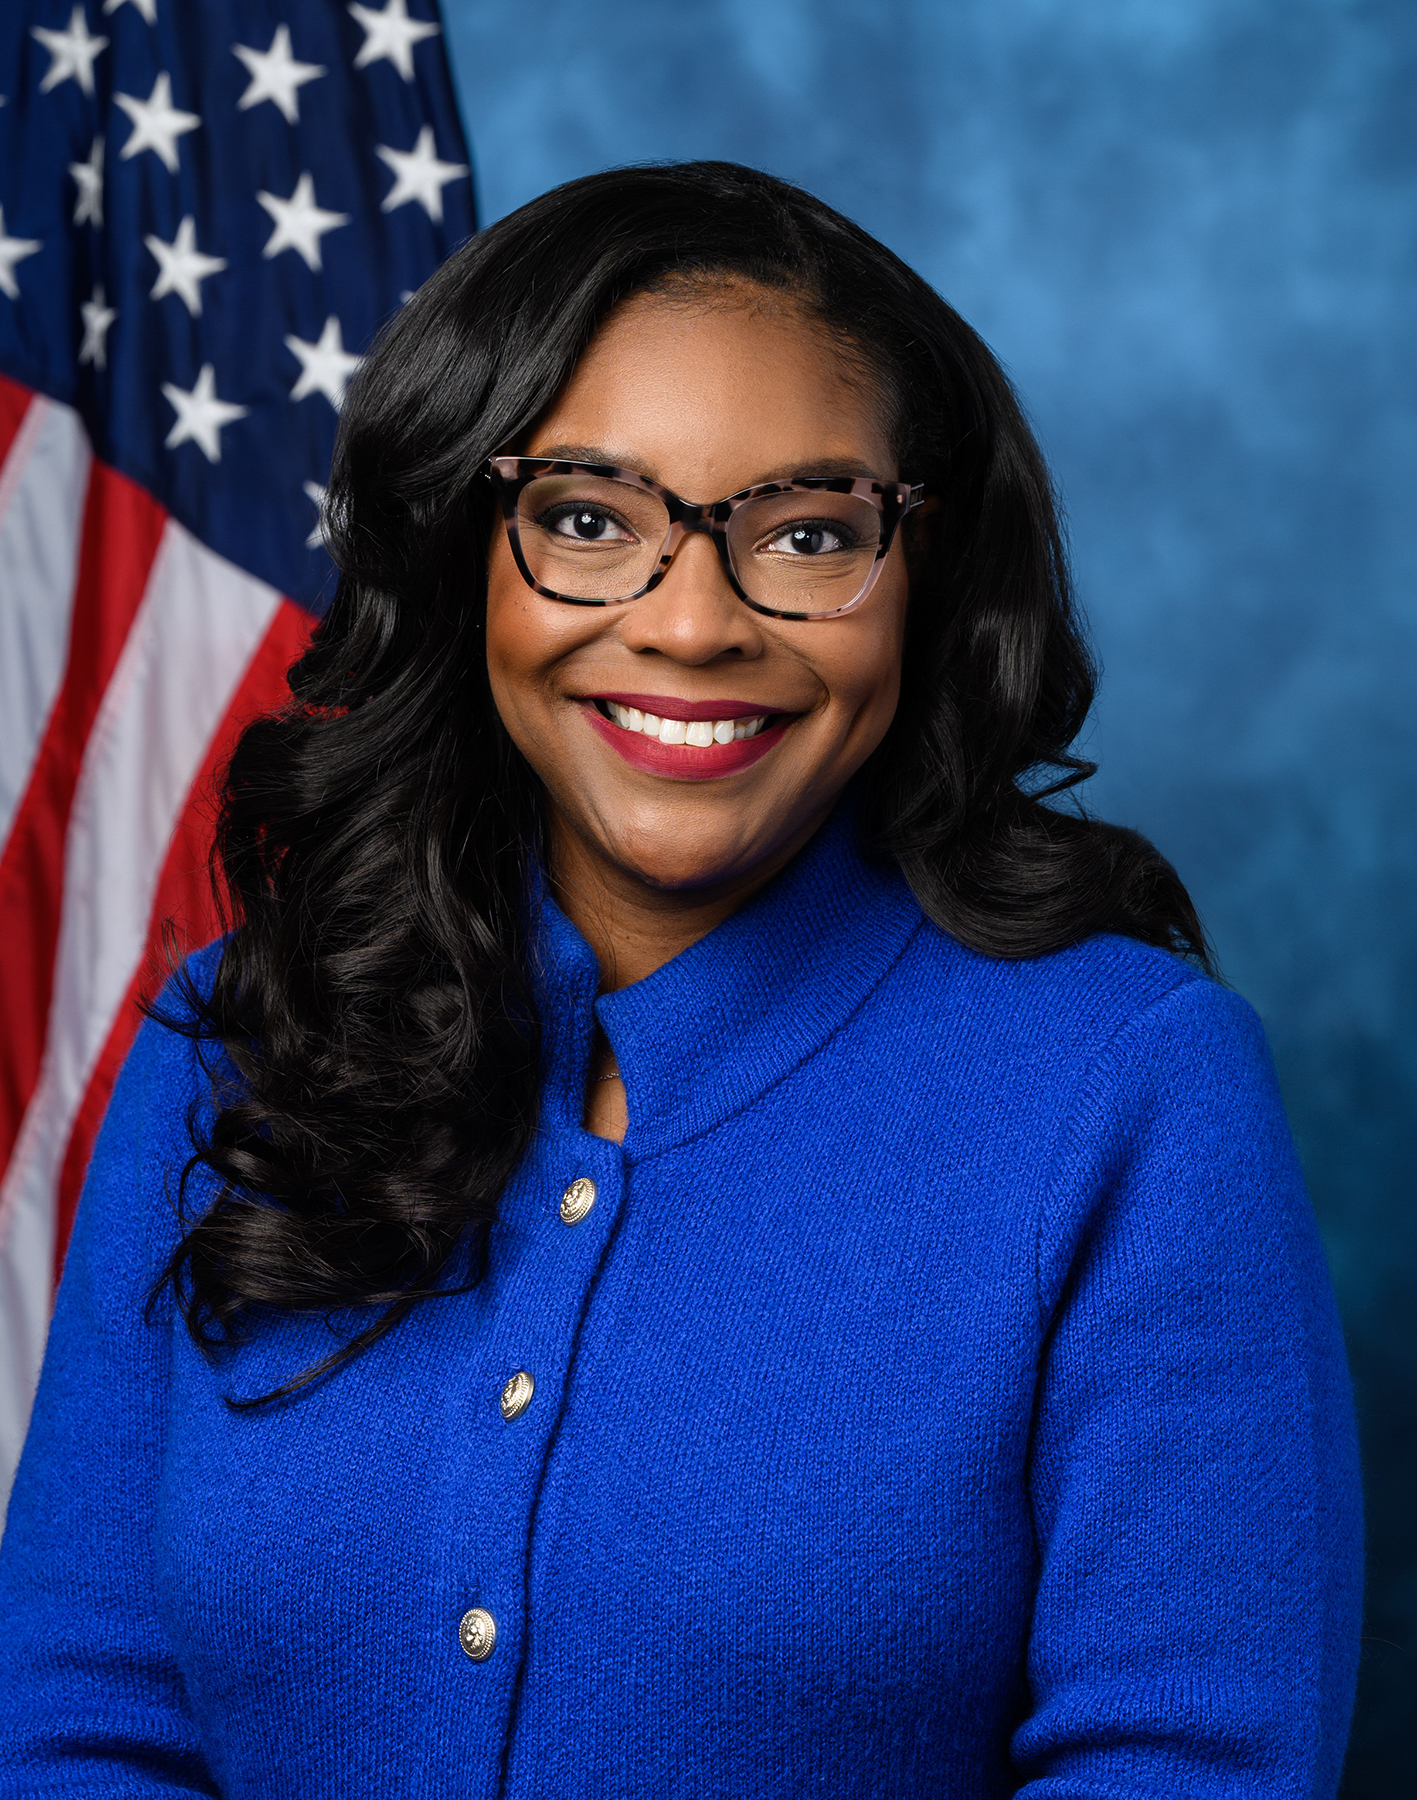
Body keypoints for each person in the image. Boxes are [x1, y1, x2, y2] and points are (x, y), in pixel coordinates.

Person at [0, 162, 1361, 1798]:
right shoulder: (232, 1041)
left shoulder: (1129, 1089)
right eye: (588, 517)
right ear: (463, 551)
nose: (691, 623)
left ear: (923, 575)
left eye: (804, 533)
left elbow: (1187, 1762)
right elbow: (80, 1722)